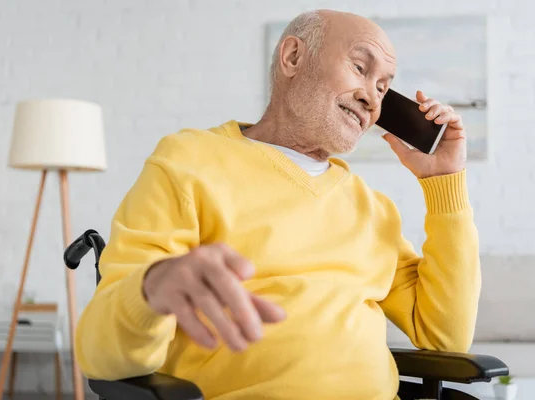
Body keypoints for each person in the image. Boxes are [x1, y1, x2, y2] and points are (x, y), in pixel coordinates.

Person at [74, 9, 480, 400]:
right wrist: (150, 290)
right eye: (360, 67)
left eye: (382, 87)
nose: (372, 100)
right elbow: (100, 354)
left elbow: (445, 336)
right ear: (293, 57)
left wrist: (444, 182)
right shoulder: (188, 161)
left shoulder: (372, 209)